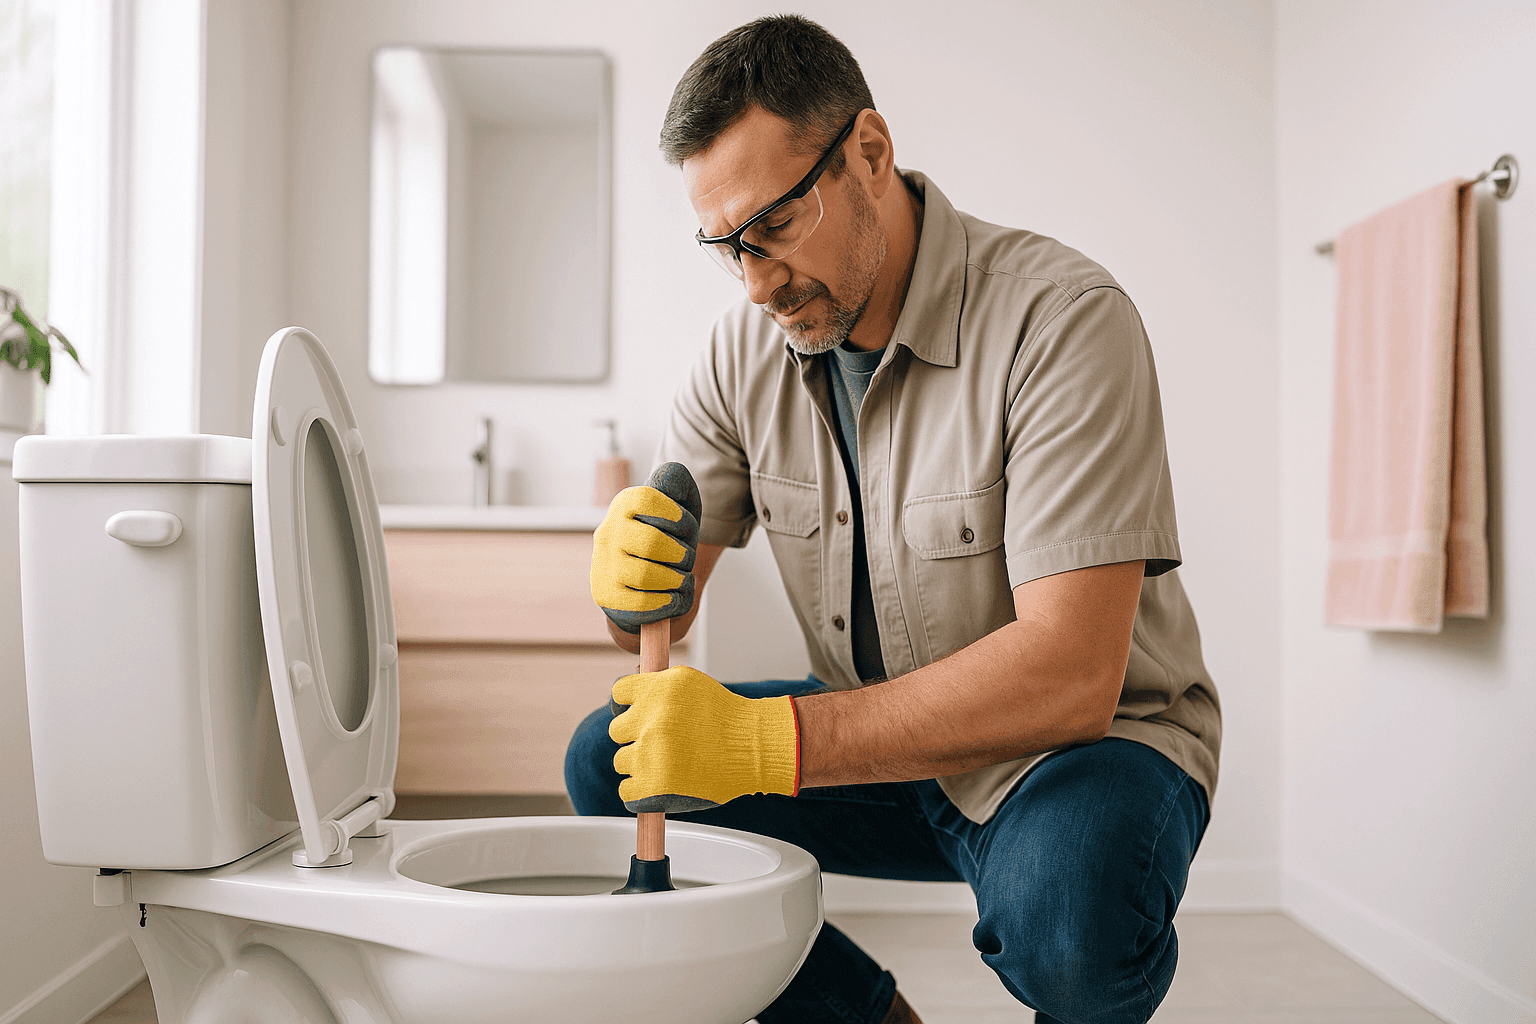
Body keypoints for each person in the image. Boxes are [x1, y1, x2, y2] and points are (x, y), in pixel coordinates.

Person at [566, 15, 1220, 1024]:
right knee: (607, 760)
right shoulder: (738, 360)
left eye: (774, 227)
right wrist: (625, 577)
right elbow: (654, 618)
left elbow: (1071, 674)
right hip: (882, 736)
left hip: (1085, 750)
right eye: (726, 246)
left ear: (869, 151)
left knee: (1069, 924)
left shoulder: (1063, 322)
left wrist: (765, 744)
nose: (756, 283)